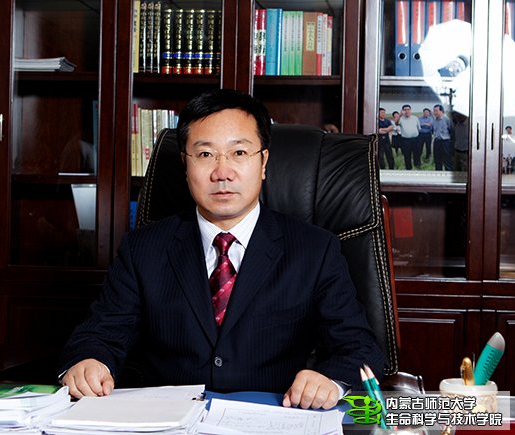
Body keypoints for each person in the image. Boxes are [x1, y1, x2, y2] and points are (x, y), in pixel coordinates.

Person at [57, 89, 385, 409]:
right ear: (185, 165)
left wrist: (329, 380)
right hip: (168, 422)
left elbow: (359, 347)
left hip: (273, 419)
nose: (222, 173)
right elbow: (99, 335)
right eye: (205, 155)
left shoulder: (314, 250)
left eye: (239, 153)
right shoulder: (143, 249)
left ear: (263, 162)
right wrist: (89, 362)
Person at [398, 104, 421, 170]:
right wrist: (399, 115)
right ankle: (408, 168)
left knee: (417, 153)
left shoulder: (415, 118)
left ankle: (417, 166)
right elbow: (396, 123)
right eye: (405, 110)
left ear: (410, 110)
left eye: (408, 109)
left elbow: (418, 128)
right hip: (405, 140)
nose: (407, 111)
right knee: (407, 154)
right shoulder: (401, 119)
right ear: (403, 111)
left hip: (415, 139)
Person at [432, 104, 454, 171]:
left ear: (441, 111)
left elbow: (452, 131)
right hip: (437, 142)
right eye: (434, 111)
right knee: (437, 161)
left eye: (436, 111)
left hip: (445, 142)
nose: (434, 112)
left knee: (447, 161)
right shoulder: (435, 120)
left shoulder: (447, 119)